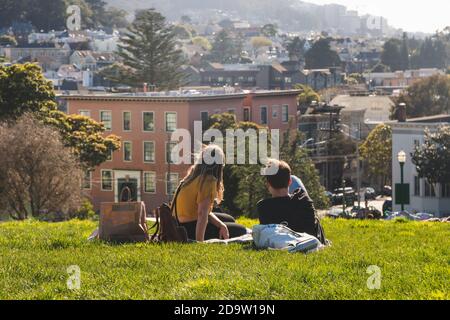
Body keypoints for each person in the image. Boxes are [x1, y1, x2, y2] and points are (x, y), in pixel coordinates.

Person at [175, 145, 247, 242]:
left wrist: (221, 225)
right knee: (240, 230)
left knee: (229, 219)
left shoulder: (192, 176)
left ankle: (223, 225)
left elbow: (203, 210)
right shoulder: (208, 181)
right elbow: (202, 214)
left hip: (178, 223)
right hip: (189, 228)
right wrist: (199, 241)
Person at [257, 159, 326, 244]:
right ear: (290, 181)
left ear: (268, 184)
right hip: (310, 240)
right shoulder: (302, 199)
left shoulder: (263, 207)